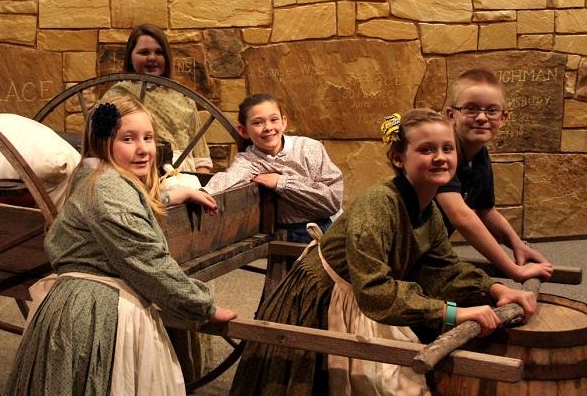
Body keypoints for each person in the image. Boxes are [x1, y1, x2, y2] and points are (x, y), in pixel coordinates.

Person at [229, 108, 537, 396]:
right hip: (324, 297)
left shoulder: (428, 210)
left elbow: (443, 268)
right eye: (426, 150)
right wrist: (455, 313)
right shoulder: (377, 205)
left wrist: (495, 288)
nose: (440, 158)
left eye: (447, 149)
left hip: (364, 291)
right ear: (399, 158)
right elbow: (375, 291)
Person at [5, 95, 236, 396]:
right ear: (103, 142)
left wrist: (171, 196)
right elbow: (147, 262)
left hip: (83, 301)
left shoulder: (97, 177)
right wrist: (203, 306)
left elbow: (124, 211)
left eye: (148, 138)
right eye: (128, 139)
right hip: (94, 311)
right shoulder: (107, 187)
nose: (143, 149)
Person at [436, 69, 553, 282]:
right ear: (451, 115)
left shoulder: (479, 154)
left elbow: (485, 210)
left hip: (430, 246)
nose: (481, 118)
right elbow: (462, 217)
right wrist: (513, 270)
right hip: (400, 247)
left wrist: (518, 245)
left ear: (504, 118)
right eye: (471, 109)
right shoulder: (442, 154)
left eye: (491, 110)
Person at [203, 93, 343, 243]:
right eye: (258, 123)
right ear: (243, 131)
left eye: (274, 120)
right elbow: (228, 178)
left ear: (283, 122)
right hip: (291, 235)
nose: (268, 128)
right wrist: (204, 193)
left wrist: (281, 182)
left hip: (329, 227)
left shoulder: (309, 148)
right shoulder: (250, 161)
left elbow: (332, 201)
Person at [103, 23, 212, 173]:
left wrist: (200, 188)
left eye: (159, 52)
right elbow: (99, 147)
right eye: (144, 52)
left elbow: (201, 158)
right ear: (130, 57)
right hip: (131, 174)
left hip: (182, 177)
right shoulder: (116, 96)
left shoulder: (184, 98)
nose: (152, 58)